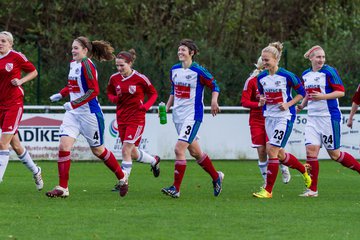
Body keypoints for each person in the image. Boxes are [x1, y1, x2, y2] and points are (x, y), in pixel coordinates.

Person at [45, 36, 128, 198]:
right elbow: (72, 86)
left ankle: (122, 177)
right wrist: (61, 94)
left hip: (90, 114)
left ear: (85, 50)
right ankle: (63, 188)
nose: (73, 50)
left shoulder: (87, 65)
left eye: (76, 48)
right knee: (63, 146)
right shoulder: (73, 64)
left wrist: (74, 103)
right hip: (73, 114)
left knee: (98, 150)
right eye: (72, 47)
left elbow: (93, 91)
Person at [161, 39, 224, 198]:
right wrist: (167, 107)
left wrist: (214, 101)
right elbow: (173, 91)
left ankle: (176, 188)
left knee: (178, 149)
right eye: (179, 49)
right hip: (178, 116)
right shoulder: (174, 69)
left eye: (183, 50)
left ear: (192, 53)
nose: (180, 52)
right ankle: (216, 177)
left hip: (193, 115)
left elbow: (215, 86)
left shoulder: (199, 71)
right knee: (196, 152)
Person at [296, 45, 360, 197]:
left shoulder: (329, 71)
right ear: (311, 58)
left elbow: (341, 92)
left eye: (323, 57)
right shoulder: (306, 74)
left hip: (329, 118)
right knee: (311, 151)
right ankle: (312, 190)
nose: (321, 60)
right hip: (312, 118)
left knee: (335, 155)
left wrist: (322, 97)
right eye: (318, 57)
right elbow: (308, 94)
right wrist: (302, 106)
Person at [253, 42, 312, 199]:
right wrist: (262, 99)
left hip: (284, 118)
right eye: (263, 60)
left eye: (267, 60)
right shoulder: (261, 77)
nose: (264, 63)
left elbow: (302, 92)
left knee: (271, 150)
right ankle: (304, 171)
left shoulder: (287, 75)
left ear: (276, 59)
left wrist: (288, 104)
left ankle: (268, 190)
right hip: (269, 118)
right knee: (279, 155)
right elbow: (261, 95)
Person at [107, 49, 160, 192]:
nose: (119, 69)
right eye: (117, 66)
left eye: (122, 65)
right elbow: (110, 92)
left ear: (129, 63)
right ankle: (154, 161)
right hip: (121, 118)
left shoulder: (140, 78)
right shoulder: (114, 78)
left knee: (125, 150)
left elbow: (153, 93)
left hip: (136, 118)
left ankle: (123, 182)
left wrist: (146, 106)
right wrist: (114, 99)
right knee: (133, 153)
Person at [0, 31, 43, 190]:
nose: (1, 43)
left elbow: (34, 71)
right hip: (0, 105)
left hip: (14, 104)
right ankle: (36, 170)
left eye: (4, 41)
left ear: (11, 44)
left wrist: (20, 81)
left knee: (2, 143)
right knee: (16, 146)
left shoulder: (16, 56)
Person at [241, 57, 291, 185]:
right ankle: (266, 181)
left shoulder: (278, 79)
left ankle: (284, 167)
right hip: (257, 120)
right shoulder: (252, 81)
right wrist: (258, 103)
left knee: (275, 149)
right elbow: (244, 101)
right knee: (261, 151)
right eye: (263, 65)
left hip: (273, 118)